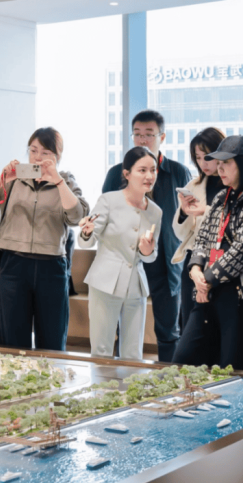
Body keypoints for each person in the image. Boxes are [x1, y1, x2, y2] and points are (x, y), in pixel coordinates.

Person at [0, 127, 89, 351]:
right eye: (33, 151)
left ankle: (50, 374)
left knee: (52, 341)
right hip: (14, 265)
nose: (37, 157)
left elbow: (77, 216)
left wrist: (58, 182)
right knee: (11, 341)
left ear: (57, 156)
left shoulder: (66, 182)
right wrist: (3, 178)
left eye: (45, 153)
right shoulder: (14, 180)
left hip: (52, 267)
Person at [172, 135, 243, 372]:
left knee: (233, 367)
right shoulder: (222, 197)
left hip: (238, 295)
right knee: (184, 360)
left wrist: (205, 281)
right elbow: (203, 238)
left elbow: (242, 251)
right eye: (218, 163)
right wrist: (195, 269)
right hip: (208, 290)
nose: (219, 169)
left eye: (226, 163)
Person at [102, 110, 191, 361]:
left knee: (168, 330)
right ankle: (120, 377)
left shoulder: (177, 172)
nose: (142, 140)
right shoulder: (117, 173)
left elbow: (188, 218)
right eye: (137, 134)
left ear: (162, 137)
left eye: (149, 134)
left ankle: (171, 378)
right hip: (127, 259)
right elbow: (104, 215)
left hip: (165, 261)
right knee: (122, 327)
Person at [78, 147, 162, 360]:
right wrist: (86, 232)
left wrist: (148, 251)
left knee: (133, 354)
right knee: (101, 351)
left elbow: (151, 255)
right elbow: (88, 240)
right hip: (105, 282)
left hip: (136, 286)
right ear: (127, 174)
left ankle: (130, 384)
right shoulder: (108, 200)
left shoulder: (155, 211)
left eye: (153, 170)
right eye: (142, 170)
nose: (149, 176)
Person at [171, 127, 226, 332]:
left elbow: (237, 222)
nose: (203, 163)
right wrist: (184, 213)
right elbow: (181, 234)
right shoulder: (194, 185)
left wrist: (206, 211)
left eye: (208, 157)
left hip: (223, 262)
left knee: (217, 325)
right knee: (191, 324)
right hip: (194, 261)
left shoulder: (234, 185)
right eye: (198, 158)